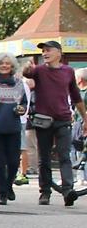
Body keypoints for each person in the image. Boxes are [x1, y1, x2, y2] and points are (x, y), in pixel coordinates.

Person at [27, 39, 85, 204]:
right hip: (43, 121)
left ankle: (68, 191)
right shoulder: (38, 70)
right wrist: (27, 69)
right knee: (43, 158)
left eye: (48, 50)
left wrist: (85, 118)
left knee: (64, 155)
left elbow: (75, 96)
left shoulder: (68, 71)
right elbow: (27, 74)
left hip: (63, 119)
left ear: (59, 53)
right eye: (43, 51)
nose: (45, 53)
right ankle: (45, 192)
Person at [0, 52, 29, 205]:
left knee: (13, 162)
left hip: (13, 126)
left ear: (12, 66)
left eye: (8, 63)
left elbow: (25, 103)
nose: (5, 66)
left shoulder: (19, 83)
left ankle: (8, 185)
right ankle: (2, 193)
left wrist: (21, 109)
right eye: (1, 64)